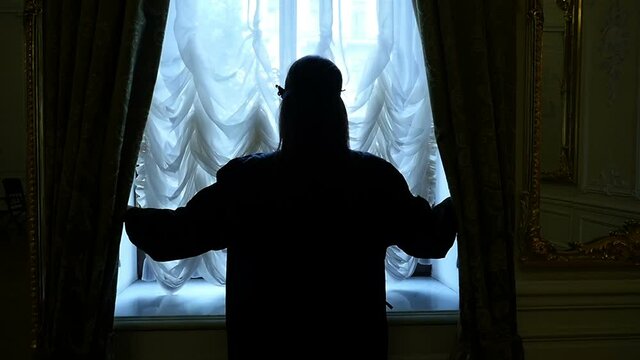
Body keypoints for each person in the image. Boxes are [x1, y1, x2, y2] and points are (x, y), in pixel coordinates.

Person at [124, 55, 457, 360]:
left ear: (288, 111)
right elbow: (430, 238)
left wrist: (117, 209)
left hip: (265, 347)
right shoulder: (375, 180)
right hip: (351, 347)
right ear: (338, 111)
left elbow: (175, 236)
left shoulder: (247, 182)